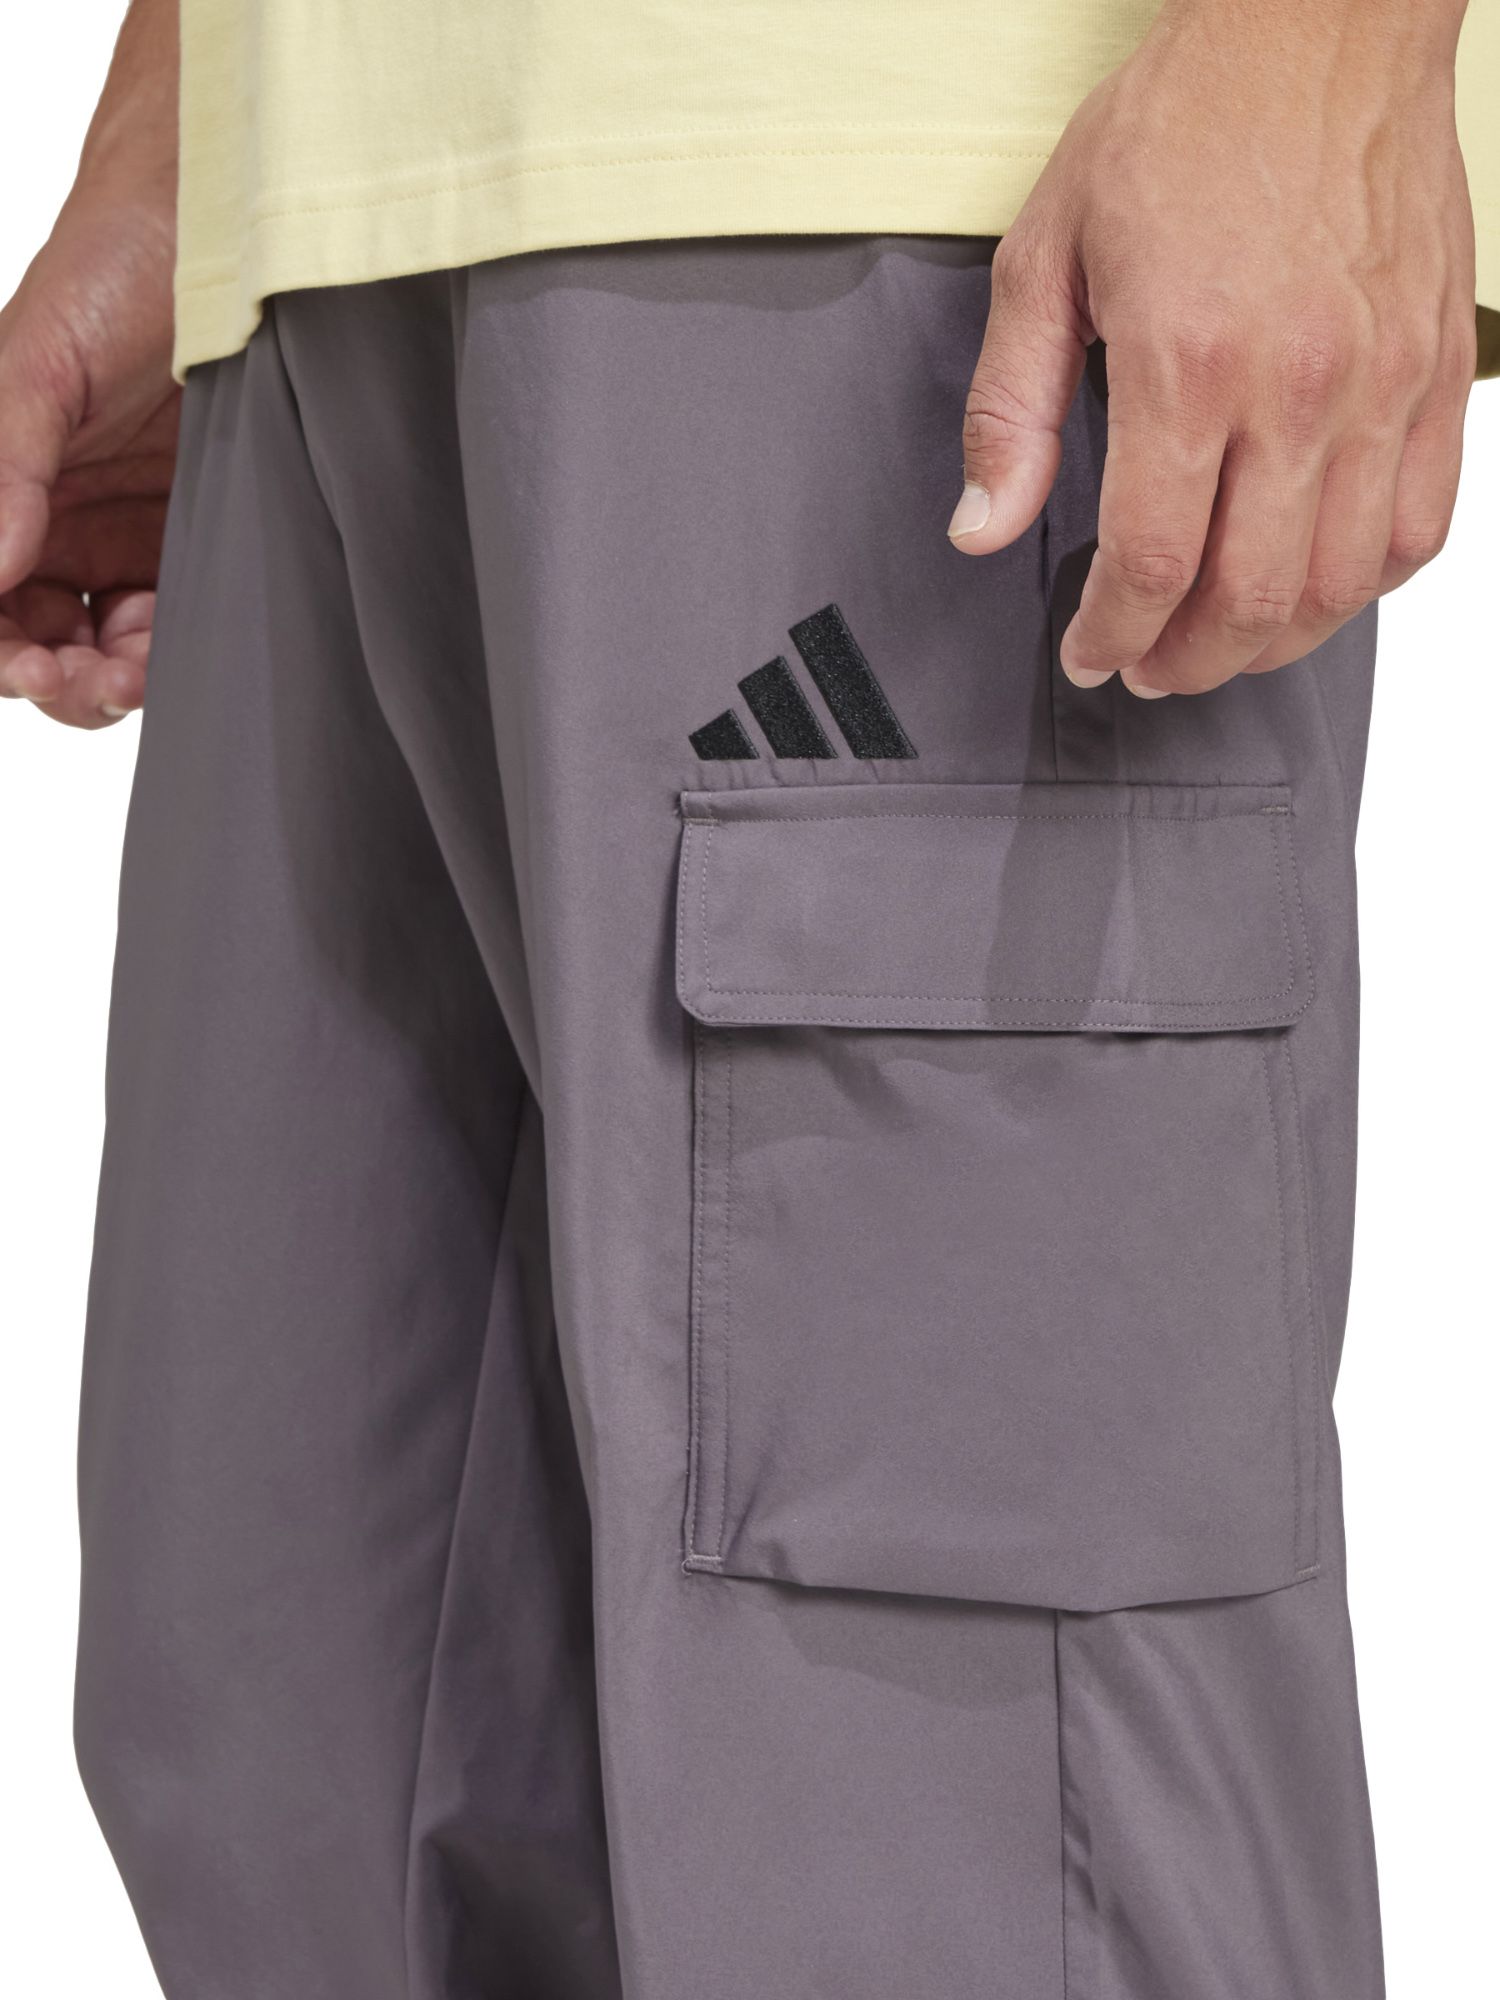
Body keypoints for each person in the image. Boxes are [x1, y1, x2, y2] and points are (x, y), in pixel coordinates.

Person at [1, 0, 1494, 1993]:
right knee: (291, 1767)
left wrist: (1313, 59)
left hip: (935, 207)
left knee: (933, 1835)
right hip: (331, 240)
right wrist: (180, 130)